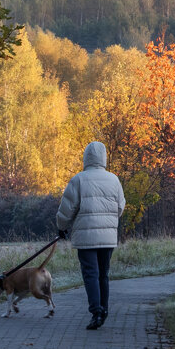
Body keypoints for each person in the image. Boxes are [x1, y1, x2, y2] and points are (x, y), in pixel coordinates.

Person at [56, 141, 126, 330]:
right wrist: (109, 220)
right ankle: (104, 309)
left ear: (86, 157)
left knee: (90, 274)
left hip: (86, 237)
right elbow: (120, 206)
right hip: (108, 237)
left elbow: (67, 209)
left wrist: (61, 227)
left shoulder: (79, 180)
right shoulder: (114, 179)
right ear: (103, 158)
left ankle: (96, 312)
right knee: (103, 274)